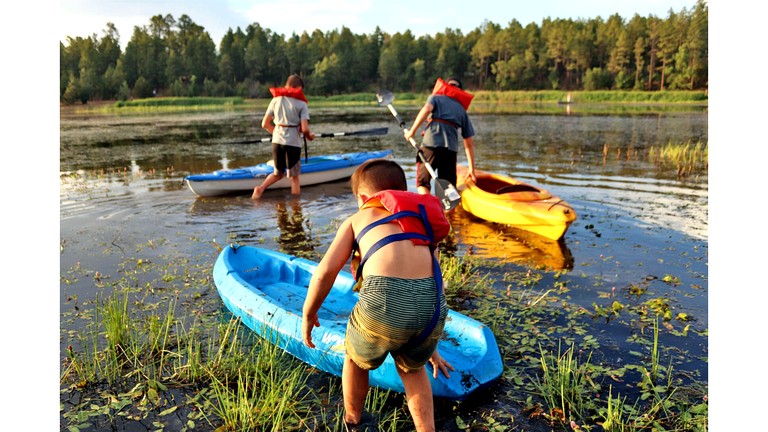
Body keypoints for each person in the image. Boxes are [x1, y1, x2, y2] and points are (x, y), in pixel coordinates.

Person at [301, 159, 455, 432]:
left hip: (383, 305)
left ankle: (352, 419)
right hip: (432, 309)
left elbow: (325, 273)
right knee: (411, 369)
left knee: (355, 360)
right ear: (402, 193)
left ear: (363, 198)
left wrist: (309, 312)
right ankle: (426, 429)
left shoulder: (358, 218)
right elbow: (431, 284)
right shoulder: (420, 221)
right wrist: (430, 347)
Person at [404, 77, 477, 196]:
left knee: (422, 183)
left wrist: (412, 131)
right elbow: (468, 143)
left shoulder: (436, 98)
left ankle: (429, 209)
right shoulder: (461, 109)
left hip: (431, 145)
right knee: (449, 190)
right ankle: (448, 214)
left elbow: (427, 109)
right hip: (450, 151)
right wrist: (471, 169)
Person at [251, 74, 315, 199]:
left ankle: (260, 189)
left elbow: (265, 124)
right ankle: (296, 206)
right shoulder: (301, 104)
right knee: (294, 177)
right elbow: (305, 128)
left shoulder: (275, 100)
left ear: (287, 85)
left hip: (277, 141)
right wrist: (309, 136)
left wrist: (276, 133)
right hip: (293, 143)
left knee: (278, 173)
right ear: (299, 88)